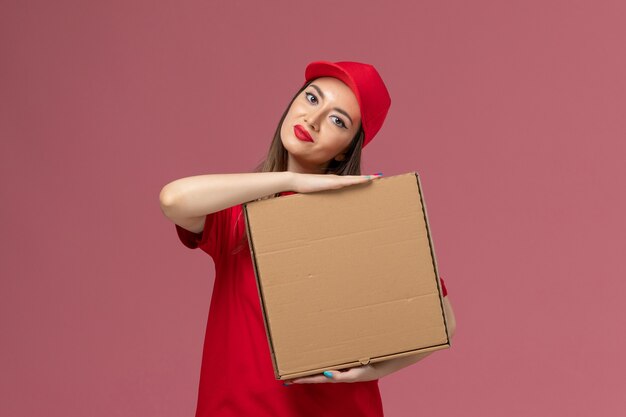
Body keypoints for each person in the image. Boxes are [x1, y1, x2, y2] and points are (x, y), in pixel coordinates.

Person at [159, 60, 457, 417]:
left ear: (347, 148)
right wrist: (290, 181)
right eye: (312, 98)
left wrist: (374, 370)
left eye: (337, 120)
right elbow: (174, 199)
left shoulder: (365, 220)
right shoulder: (241, 214)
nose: (313, 120)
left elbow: (445, 322)